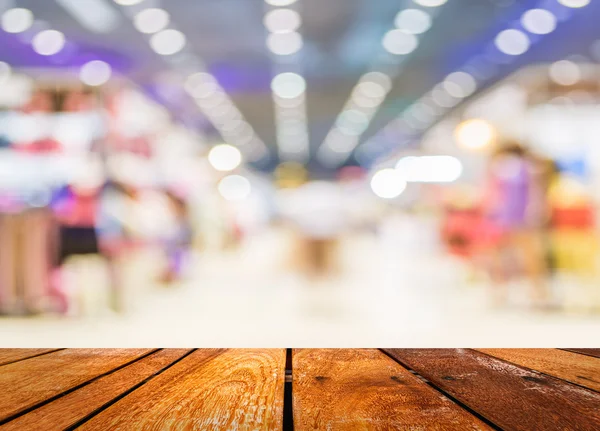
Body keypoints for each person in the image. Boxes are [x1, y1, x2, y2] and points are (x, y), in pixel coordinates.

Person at [481, 142, 550, 307]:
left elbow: (492, 194)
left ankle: (505, 291)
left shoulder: (511, 168)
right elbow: (536, 194)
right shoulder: (525, 168)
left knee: (507, 255)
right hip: (514, 216)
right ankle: (534, 291)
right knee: (524, 254)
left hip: (509, 216)